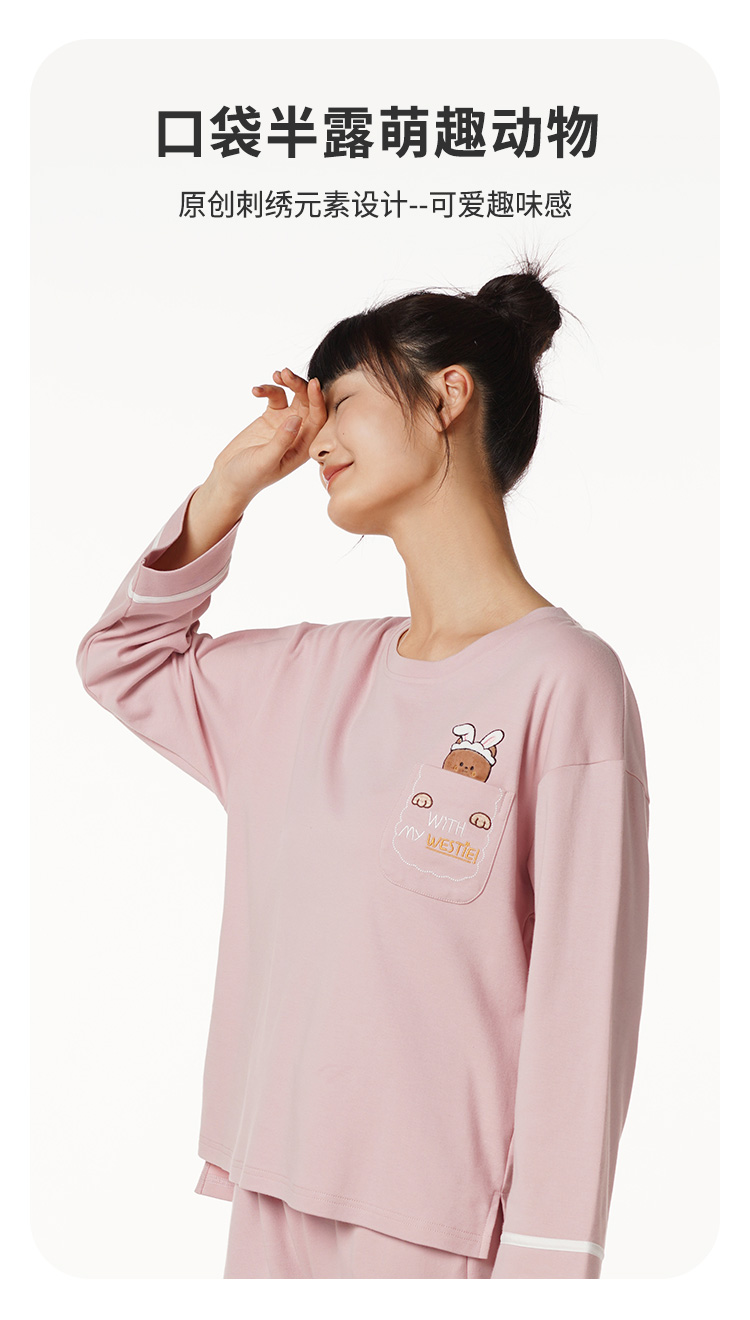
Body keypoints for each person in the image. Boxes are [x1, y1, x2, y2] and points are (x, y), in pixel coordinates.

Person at [75, 259, 650, 1279]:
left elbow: (580, 1015)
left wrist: (549, 1274)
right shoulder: (307, 678)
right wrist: (230, 486)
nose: (316, 437)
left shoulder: (564, 682)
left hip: (446, 1239)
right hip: (274, 1200)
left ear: (448, 395)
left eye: (341, 401)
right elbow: (123, 660)